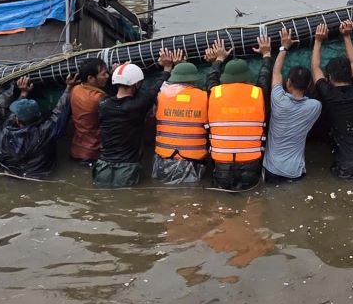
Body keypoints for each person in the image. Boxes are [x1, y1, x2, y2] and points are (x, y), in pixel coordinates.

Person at [93, 48, 179, 187]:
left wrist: (121, 70)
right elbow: (154, 90)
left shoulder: (103, 104)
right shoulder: (137, 105)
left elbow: (117, 95)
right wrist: (167, 68)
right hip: (126, 169)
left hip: (102, 168)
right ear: (136, 84)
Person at [311, 20, 353, 179]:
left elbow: (315, 68)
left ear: (328, 77)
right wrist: (347, 36)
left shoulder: (329, 94)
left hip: (347, 165)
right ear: (350, 75)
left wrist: (318, 41)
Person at [204, 38, 271, 191]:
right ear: (247, 77)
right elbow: (265, 76)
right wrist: (266, 54)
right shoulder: (258, 93)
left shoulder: (215, 93)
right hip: (251, 165)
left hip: (222, 167)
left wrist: (218, 59)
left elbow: (211, 78)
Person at [262, 26, 322, 182]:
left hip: (271, 170)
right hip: (295, 172)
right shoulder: (315, 107)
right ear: (309, 85)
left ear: (288, 83)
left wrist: (284, 47)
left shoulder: (278, 100)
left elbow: (276, 73)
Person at [0, 74, 76, 179]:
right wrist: (69, 88)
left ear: (17, 120)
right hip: (40, 176)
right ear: (39, 116)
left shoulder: (6, 130)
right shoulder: (45, 132)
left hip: (10, 175)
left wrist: (23, 93)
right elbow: (59, 113)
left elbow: (12, 116)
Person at [153, 54, 209, 185]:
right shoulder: (204, 97)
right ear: (194, 80)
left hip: (163, 161)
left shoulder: (161, 96)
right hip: (192, 163)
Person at [69, 57, 109, 164]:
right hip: (93, 153)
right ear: (91, 78)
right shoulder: (99, 98)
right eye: (104, 74)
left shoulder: (75, 89)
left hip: (76, 150)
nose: (107, 76)